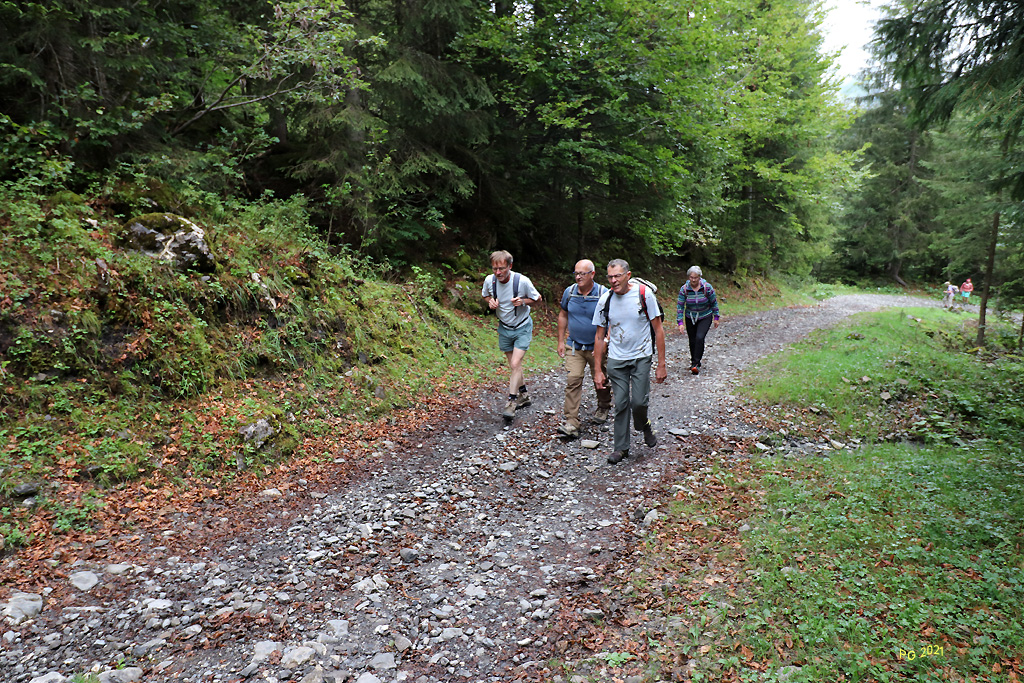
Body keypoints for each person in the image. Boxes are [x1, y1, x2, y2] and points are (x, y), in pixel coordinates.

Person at [592, 259, 667, 464]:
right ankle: (621, 448)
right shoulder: (605, 300)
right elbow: (599, 336)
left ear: (628, 275)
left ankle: (644, 424)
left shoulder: (644, 295)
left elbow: (658, 329)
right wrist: (598, 370)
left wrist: (661, 363)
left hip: (641, 356)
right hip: (617, 358)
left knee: (639, 403)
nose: (613, 281)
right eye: (610, 277)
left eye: (617, 276)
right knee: (622, 402)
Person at [481, 250, 543, 420]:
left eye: (501, 268)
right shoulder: (490, 280)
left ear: (510, 266)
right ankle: (524, 395)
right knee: (514, 366)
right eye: (495, 269)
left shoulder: (522, 281)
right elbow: (485, 295)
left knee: (516, 363)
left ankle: (511, 402)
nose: (498, 273)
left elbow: (538, 299)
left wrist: (523, 301)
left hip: (522, 326)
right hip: (504, 327)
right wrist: (490, 302)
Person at [556, 259, 613, 438]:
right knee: (573, 379)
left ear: (592, 275)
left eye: (582, 274)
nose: (578, 277)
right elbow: (563, 314)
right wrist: (560, 341)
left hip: (597, 346)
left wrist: (606, 340)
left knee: (600, 379)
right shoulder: (570, 292)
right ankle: (571, 421)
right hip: (575, 345)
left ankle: (604, 406)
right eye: (576, 273)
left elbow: (612, 318)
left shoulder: (604, 293)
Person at [676, 266, 720, 375]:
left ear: (699, 277)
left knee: (699, 337)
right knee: (692, 340)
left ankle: (696, 363)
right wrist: (680, 323)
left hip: (705, 315)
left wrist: (716, 317)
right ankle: (693, 361)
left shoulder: (707, 288)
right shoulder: (684, 289)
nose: (693, 280)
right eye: (691, 277)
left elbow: (714, 302)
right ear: (688, 277)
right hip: (690, 316)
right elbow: (680, 306)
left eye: (695, 278)